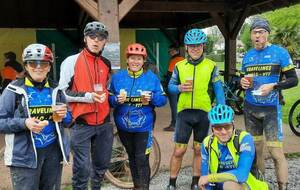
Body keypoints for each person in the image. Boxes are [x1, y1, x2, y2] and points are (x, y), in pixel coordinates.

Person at [0, 43, 72, 190]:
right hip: (24, 157)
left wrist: (65, 116)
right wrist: (24, 123)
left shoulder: (56, 89)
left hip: (52, 154)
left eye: (43, 64)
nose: (38, 67)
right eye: (33, 63)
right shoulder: (13, 90)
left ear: (49, 67)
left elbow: (69, 121)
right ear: (26, 66)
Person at [240, 17, 298, 190]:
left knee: (275, 152)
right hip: (250, 108)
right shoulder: (248, 56)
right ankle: (261, 185)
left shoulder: (279, 53)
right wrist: (242, 83)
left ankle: (283, 186)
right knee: (256, 151)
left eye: (261, 32)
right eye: (254, 32)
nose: (258, 36)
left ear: (267, 34)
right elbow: (243, 80)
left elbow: (294, 80)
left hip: (271, 109)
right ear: (251, 36)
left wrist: (274, 85)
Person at [166, 28, 225, 190]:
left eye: (198, 45)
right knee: (179, 150)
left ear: (203, 46)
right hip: (184, 114)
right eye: (191, 46)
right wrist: (179, 88)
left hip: (203, 114)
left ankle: (195, 181)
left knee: (199, 149)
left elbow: (219, 90)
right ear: (186, 47)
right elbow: (169, 87)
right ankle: (171, 182)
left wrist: (223, 111)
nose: (195, 49)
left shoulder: (211, 65)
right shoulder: (179, 66)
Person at [58, 21, 113, 190]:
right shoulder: (71, 61)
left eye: (101, 38)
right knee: (82, 169)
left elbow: (105, 88)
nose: (96, 41)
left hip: (104, 123)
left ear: (105, 42)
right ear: (85, 39)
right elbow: (62, 92)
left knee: (101, 166)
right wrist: (88, 97)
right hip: (81, 124)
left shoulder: (106, 63)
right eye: (92, 36)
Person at [109, 43, 167, 190]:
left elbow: (163, 100)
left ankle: (144, 187)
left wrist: (152, 98)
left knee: (142, 158)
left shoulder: (151, 78)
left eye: (139, 59)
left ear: (144, 61)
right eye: (132, 58)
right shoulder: (118, 78)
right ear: (127, 60)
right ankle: (137, 186)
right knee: (131, 157)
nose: (135, 61)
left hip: (144, 127)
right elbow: (108, 100)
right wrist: (116, 100)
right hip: (123, 127)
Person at [199, 104, 268, 190]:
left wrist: (210, 178)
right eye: (218, 128)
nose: (223, 132)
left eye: (227, 127)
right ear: (212, 128)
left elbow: (241, 175)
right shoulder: (207, 143)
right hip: (219, 184)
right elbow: (205, 178)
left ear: (233, 125)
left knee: (230, 186)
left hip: (248, 185)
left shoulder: (244, 139)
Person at [163, 44, 184, 132]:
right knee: (180, 106)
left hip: (174, 86)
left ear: (176, 51)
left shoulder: (174, 60)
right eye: (169, 52)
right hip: (182, 86)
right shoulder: (183, 60)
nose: (170, 53)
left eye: (171, 51)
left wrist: (166, 87)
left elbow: (170, 75)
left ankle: (174, 125)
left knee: (174, 106)